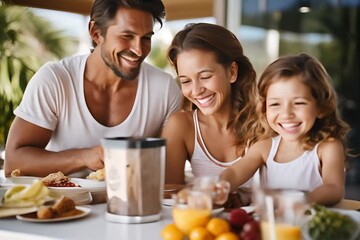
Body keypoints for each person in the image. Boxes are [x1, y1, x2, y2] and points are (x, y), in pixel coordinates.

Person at [4, 0, 182, 177]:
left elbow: (170, 170)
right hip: (62, 204)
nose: (138, 50)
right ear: (96, 33)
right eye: (127, 36)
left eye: (146, 38)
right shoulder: (55, 80)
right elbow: (14, 163)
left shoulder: (164, 89)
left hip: (135, 203)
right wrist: (84, 157)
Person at [220, 53, 351, 206]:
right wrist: (220, 186)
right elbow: (235, 172)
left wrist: (298, 202)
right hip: (272, 227)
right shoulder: (265, 148)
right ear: (264, 109)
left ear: (321, 108)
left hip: (311, 226)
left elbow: (334, 189)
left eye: (299, 103)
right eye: (275, 104)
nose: (287, 114)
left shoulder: (328, 147)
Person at [161, 23, 262, 205]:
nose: (196, 90)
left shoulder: (264, 122)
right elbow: (170, 196)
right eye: (186, 81)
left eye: (205, 77)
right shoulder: (182, 126)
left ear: (231, 72)